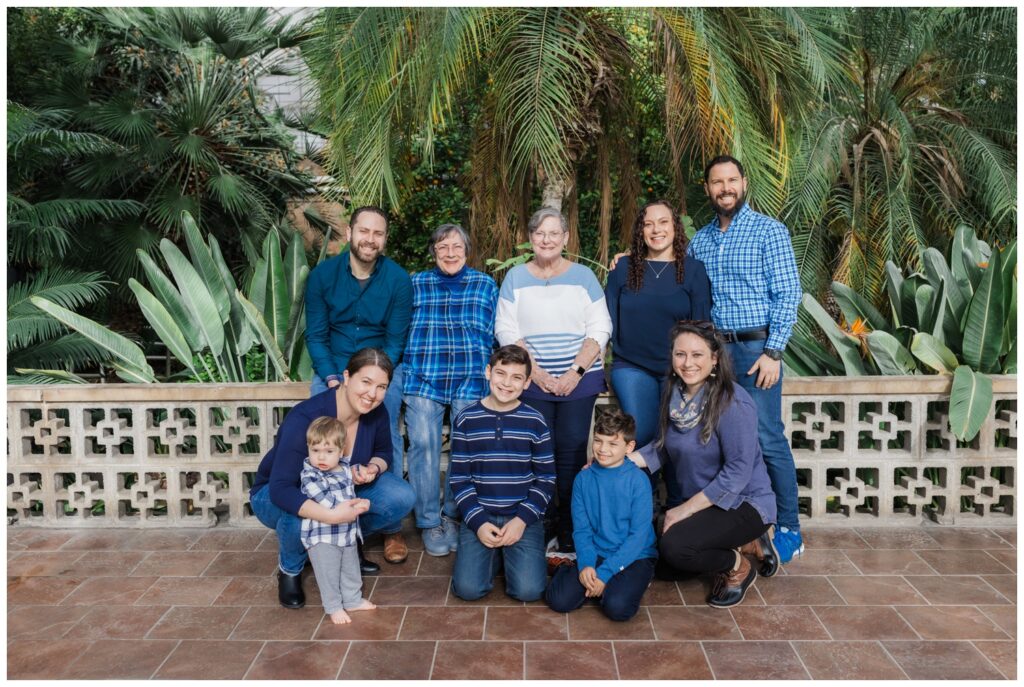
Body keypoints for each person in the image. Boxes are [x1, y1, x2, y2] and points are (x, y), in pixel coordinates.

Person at [688, 155, 804, 563]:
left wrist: (774, 351)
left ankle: (790, 526)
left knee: (768, 436)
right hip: (717, 354)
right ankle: (742, 522)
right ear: (708, 189)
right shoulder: (699, 241)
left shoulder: (769, 231)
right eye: (717, 182)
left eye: (732, 180)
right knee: (724, 440)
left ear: (744, 182)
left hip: (758, 351)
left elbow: (789, 294)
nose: (725, 188)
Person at [250, 348, 416, 609]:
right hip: (276, 496)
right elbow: (282, 489)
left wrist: (372, 468)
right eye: (366, 382)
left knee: (402, 496)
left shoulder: (377, 412)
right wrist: (331, 517)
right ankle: (290, 568)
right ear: (347, 377)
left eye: (381, 386)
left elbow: (384, 453)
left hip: (338, 489)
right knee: (298, 515)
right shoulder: (306, 417)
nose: (372, 394)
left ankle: (343, 544)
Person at [628, 321, 779, 608]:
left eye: (697, 355)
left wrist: (682, 511)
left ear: (714, 359)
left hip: (744, 503)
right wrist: (616, 462)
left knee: (676, 548)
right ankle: (748, 544)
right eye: (680, 354)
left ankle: (737, 565)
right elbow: (662, 447)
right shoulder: (675, 396)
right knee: (669, 567)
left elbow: (737, 474)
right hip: (705, 503)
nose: (688, 363)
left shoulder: (733, 402)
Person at [494, 207, 612, 555]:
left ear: (565, 238)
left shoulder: (584, 277)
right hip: (533, 381)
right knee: (538, 452)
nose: (546, 240)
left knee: (573, 450)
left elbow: (600, 327)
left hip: (580, 380)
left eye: (553, 233)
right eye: (539, 234)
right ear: (531, 239)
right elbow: (506, 328)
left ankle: (571, 525)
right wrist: (539, 375)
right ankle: (543, 522)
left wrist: (574, 373)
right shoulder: (515, 277)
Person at [304, 205, 414, 561]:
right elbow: (317, 335)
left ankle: (390, 528)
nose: (370, 239)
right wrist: (336, 379)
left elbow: (395, 340)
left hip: (380, 369)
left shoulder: (398, 280)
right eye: (364, 231)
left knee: (389, 434)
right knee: (321, 434)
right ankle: (326, 517)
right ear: (350, 233)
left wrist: (375, 381)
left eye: (377, 233)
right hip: (334, 368)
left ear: (384, 239)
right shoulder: (322, 277)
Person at [604, 200, 711, 510]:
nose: (656, 230)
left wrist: (695, 370)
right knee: (644, 433)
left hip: (680, 369)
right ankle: (643, 512)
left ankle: (679, 510)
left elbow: (702, 325)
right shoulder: (624, 268)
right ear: (641, 230)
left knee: (680, 437)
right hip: (632, 366)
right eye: (648, 224)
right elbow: (607, 321)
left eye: (663, 222)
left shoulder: (693, 270)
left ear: (674, 227)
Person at [402, 223, 499, 557]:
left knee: (467, 447)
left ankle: (453, 515)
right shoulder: (416, 284)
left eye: (457, 247)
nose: (450, 253)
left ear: (467, 251)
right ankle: (430, 521)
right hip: (423, 377)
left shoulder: (485, 285)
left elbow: (499, 334)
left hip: (470, 378)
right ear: (434, 253)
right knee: (424, 444)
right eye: (443, 248)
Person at [448, 345, 556, 602]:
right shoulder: (466, 419)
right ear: (488, 372)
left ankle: (510, 552)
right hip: (480, 514)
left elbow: (546, 479)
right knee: (467, 590)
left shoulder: (535, 421)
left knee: (529, 591)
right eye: (500, 373)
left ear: (527, 382)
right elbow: (459, 478)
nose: (507, 383)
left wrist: (521, 521)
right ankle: (494, 554)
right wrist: (478, 522)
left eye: (516, 377)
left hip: (521, 516)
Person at [545, 408, 657, 621]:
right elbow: (582, 529)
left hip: (635, 555)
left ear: (629, 447)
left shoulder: (638, 481)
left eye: (613, 444)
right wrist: (587, 564)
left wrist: (605, 573)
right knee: (558, 600)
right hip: (596, 551)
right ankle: (570, 568)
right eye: (598, 441)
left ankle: (626, 580)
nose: (603, 449)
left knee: (618, 608)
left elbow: (638, 537)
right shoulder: (583, 479)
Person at [299, 417, 377, 624]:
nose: (321, 457)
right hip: (323, 537)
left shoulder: (344, 469)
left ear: (341, 451)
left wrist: (360, 503)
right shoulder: (310, 476)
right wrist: (355, 507)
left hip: (347, 533)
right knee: (329, 574)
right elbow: (328, 503)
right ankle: (333, 607)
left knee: (350, 569)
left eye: (329, 451)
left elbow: (349, 496)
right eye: (315, 451)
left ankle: (352, 600)